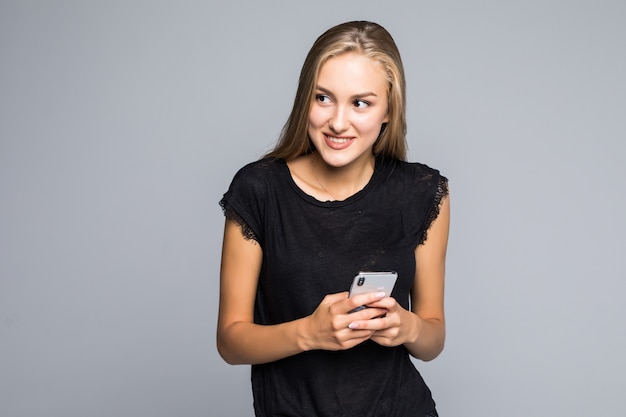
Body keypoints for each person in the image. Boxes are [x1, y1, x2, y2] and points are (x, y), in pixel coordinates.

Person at [217, 20, 450, 417]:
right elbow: (231, 340)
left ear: (389, 111)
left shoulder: (422, 192)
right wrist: (309, 333)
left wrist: (405, 326)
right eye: (323, 98)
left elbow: (433, 337)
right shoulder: (259, 190)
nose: (338, 122)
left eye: (361, 103)